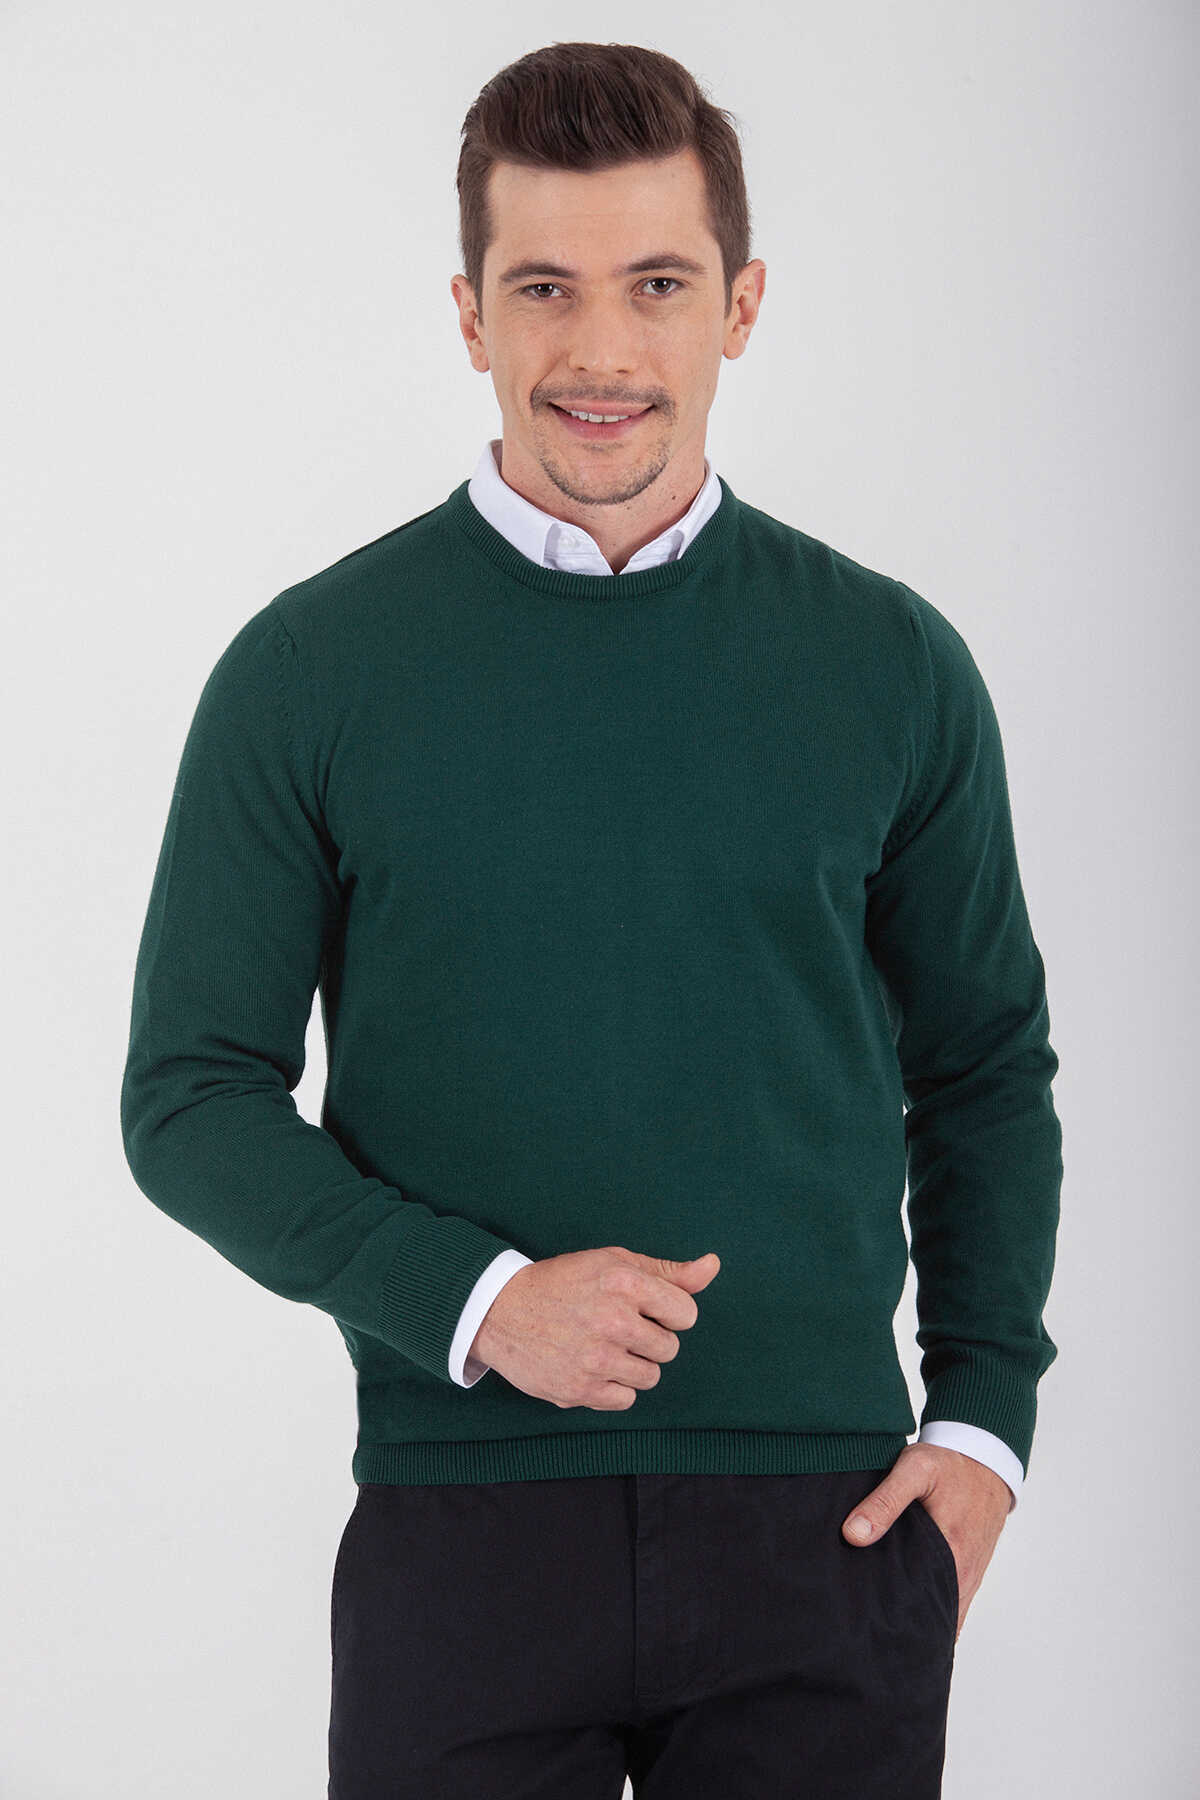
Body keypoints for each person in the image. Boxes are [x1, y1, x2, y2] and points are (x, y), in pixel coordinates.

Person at [120, 40, 1063, 1800]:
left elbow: (987, 1068)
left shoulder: (889, 665)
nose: (603, 351)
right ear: (470, 314)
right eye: (545, 287)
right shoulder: (311, 672)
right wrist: (477, 1303)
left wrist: (986, 1427)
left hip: (829, 1530)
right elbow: (189, 1097)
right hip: (460, 1524)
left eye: (659, 284)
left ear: (743, 306)